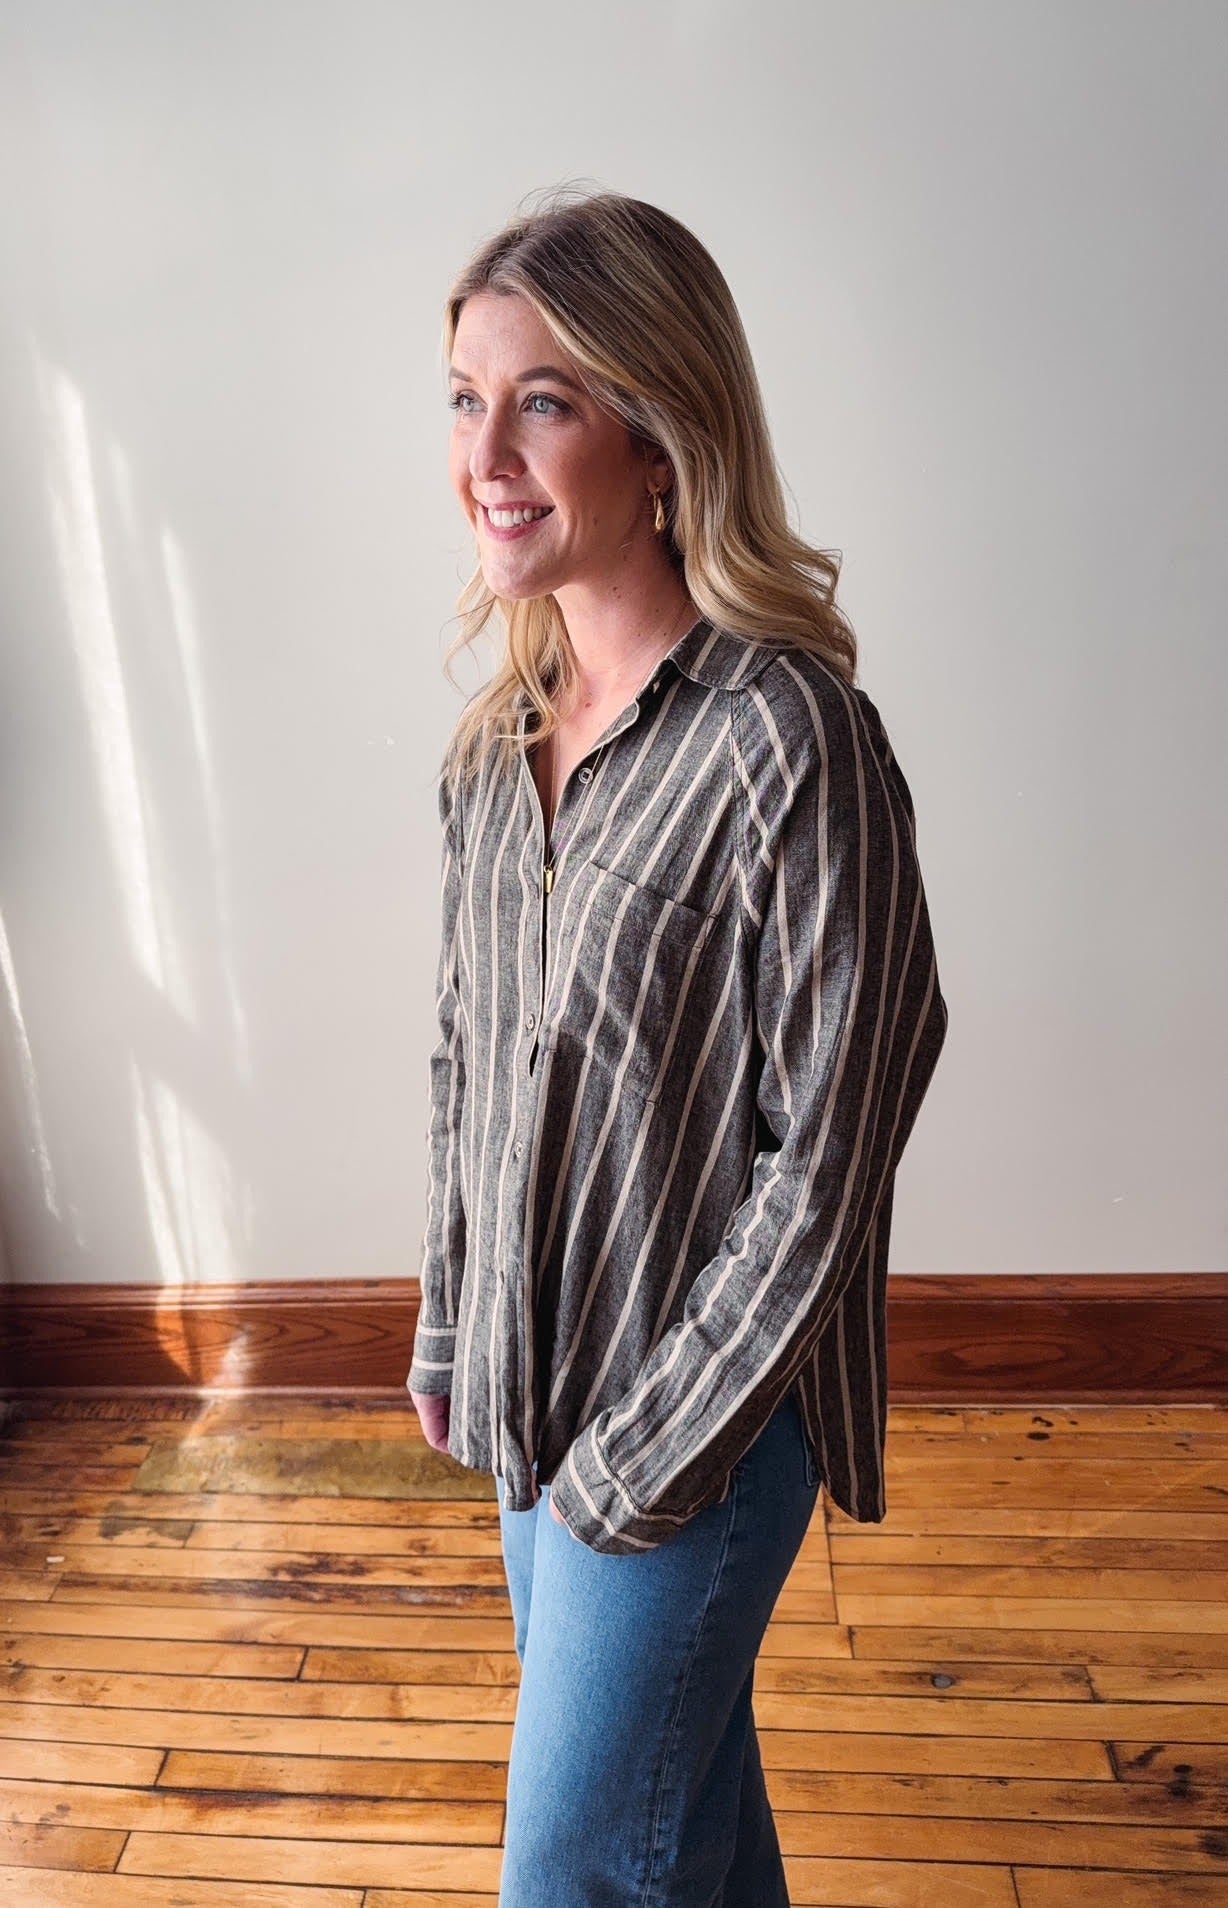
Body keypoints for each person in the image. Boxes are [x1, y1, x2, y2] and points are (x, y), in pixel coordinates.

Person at [407, 185, 949, 1908]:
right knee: (681, 1831)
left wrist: (647, 1458)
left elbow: (836, 1146)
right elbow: (463, 1065)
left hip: (693, 1431)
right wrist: (450, 1315)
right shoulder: (494, 750)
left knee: (572, 1870)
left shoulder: (796, 740)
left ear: (661, 434)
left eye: (544, 399)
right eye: (465, 396)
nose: (488, 449)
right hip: (526, 1387)